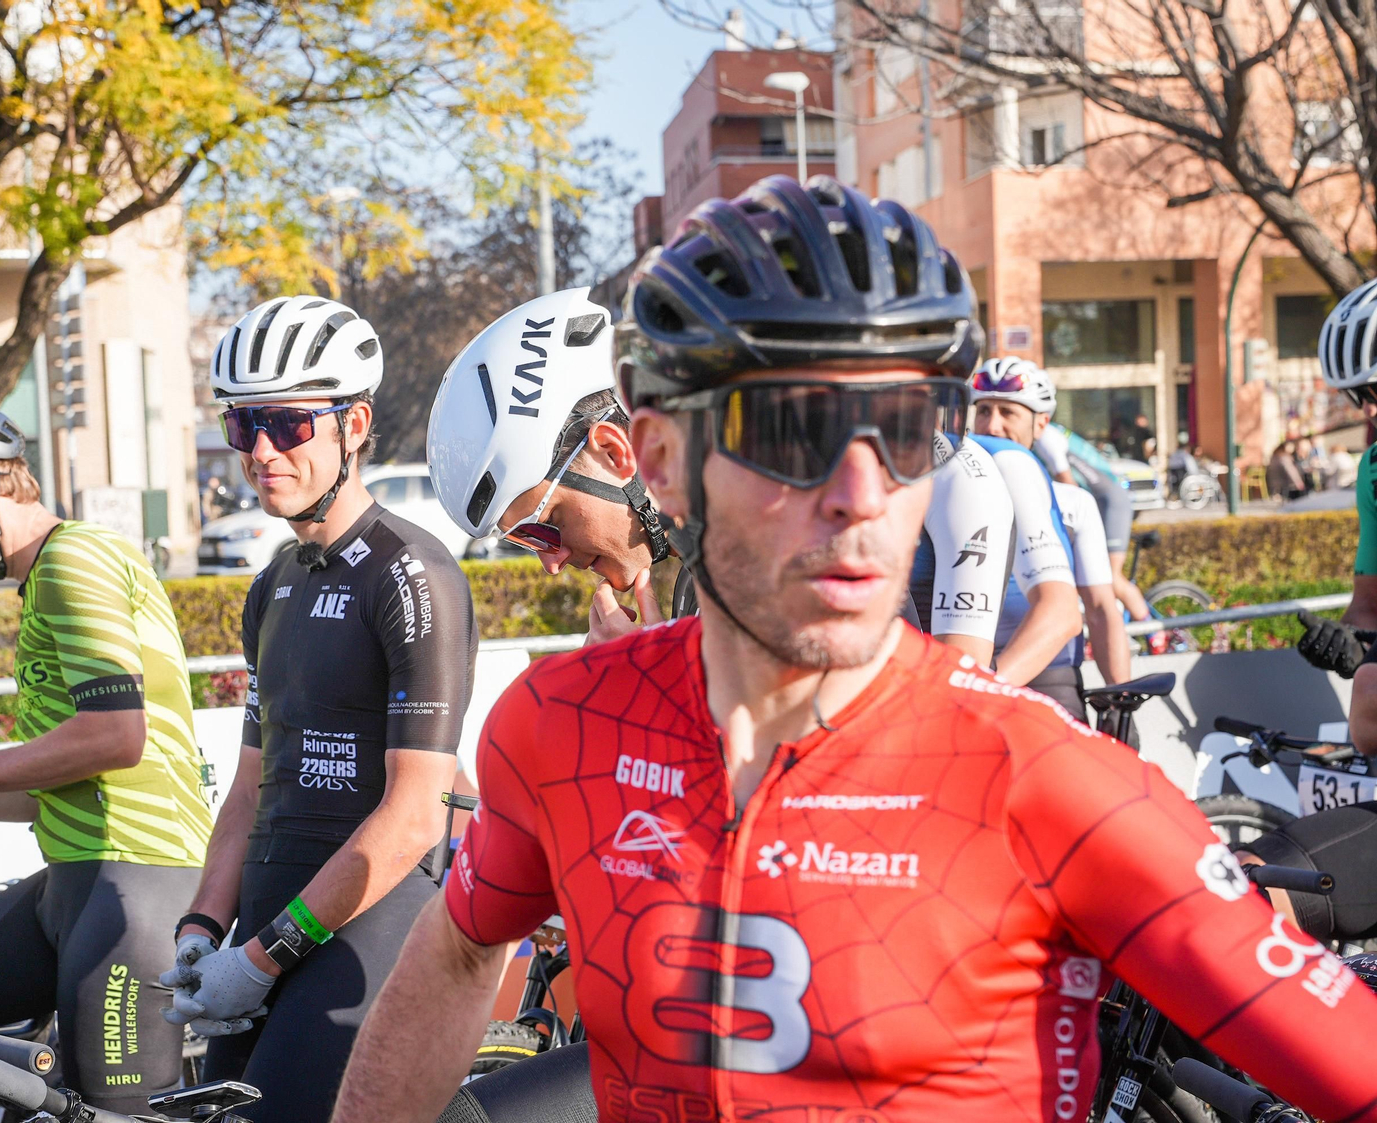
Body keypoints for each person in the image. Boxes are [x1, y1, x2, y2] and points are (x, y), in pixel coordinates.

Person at [331, 175, 1377, 1123]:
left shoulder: (1053, 785)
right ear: (656, 457)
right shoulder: (557, 724)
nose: (861, 493)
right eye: (792, 432)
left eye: (908, 430)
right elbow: (465, 953)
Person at [163, 296, 478, 1123]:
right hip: (273, 919)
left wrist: (263, 958)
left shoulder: (412, 573)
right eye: (243, 427)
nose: (262, 451)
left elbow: (415, 814)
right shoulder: (274, 582)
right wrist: (201, 927)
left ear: (355, 423)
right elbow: (249, 790)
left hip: (370, 919)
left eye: (291, 424)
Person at [0, 395, 211, 1115]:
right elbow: (76, 766)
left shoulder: (75, 558)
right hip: (75, 884)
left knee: (110, 1115)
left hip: (137, 887)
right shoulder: (42, 579)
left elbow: (118, 735)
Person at [425, 287, 675, 645]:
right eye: (528, 541)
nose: (552, 565)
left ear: (612, 453)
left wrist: (647, 678)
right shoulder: (705, 582)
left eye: (544, 529)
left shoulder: (771, 563)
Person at [969, 359, 1131, 690]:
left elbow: (1100, 609)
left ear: (1041, 424)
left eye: (1007, 413)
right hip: (968, 672)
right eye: (983, 411)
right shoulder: (946, 495)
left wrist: (1120, 697)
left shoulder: (1073, 503)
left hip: (1048, 676)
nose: (992, 426)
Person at [1298, 278, 1377, 677]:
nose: (1369, 411)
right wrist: (1345, 641)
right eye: (1359, 395)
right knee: (1367, 697)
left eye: (1375, 392)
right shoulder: (1374, 467)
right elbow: (1370, 605)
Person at [1035, 416, 1151, 622]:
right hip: (1101, 499)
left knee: (1111, 577)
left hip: (1112, 501)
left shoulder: (1045, 437)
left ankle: (1154, 633)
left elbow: (1070, 488)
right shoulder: (1046, 430)